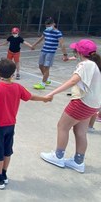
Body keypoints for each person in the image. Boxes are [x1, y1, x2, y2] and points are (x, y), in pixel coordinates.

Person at [0, 58, 51, 189]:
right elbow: (31, 97)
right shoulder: (18, 87)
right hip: (10, 125)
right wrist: (44, 98)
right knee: (7, 150)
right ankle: (3, 173)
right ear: (13, 74)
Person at [40, 39, 101, 173]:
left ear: (79, 52)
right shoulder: (95, 64)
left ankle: (58, 156)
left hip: (81, 102)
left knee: (62, 126)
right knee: (80, 132)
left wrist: (52, 93)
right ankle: (78, 161)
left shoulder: (85, 65)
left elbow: (73, 80)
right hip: (92, 105)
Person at [31, 17, 68, 89]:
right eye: (47, 26)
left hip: (50, 52)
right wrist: (34, 45)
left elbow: (62, 44)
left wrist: (65, 54)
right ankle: (46, 79)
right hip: (44, 50)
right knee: (40, 65)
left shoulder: (58, 33)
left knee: (46, 67)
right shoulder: (46, 31)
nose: (48, 27)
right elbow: (41, 38)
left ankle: (42, 84)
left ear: (54, 24)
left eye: (49, 26)